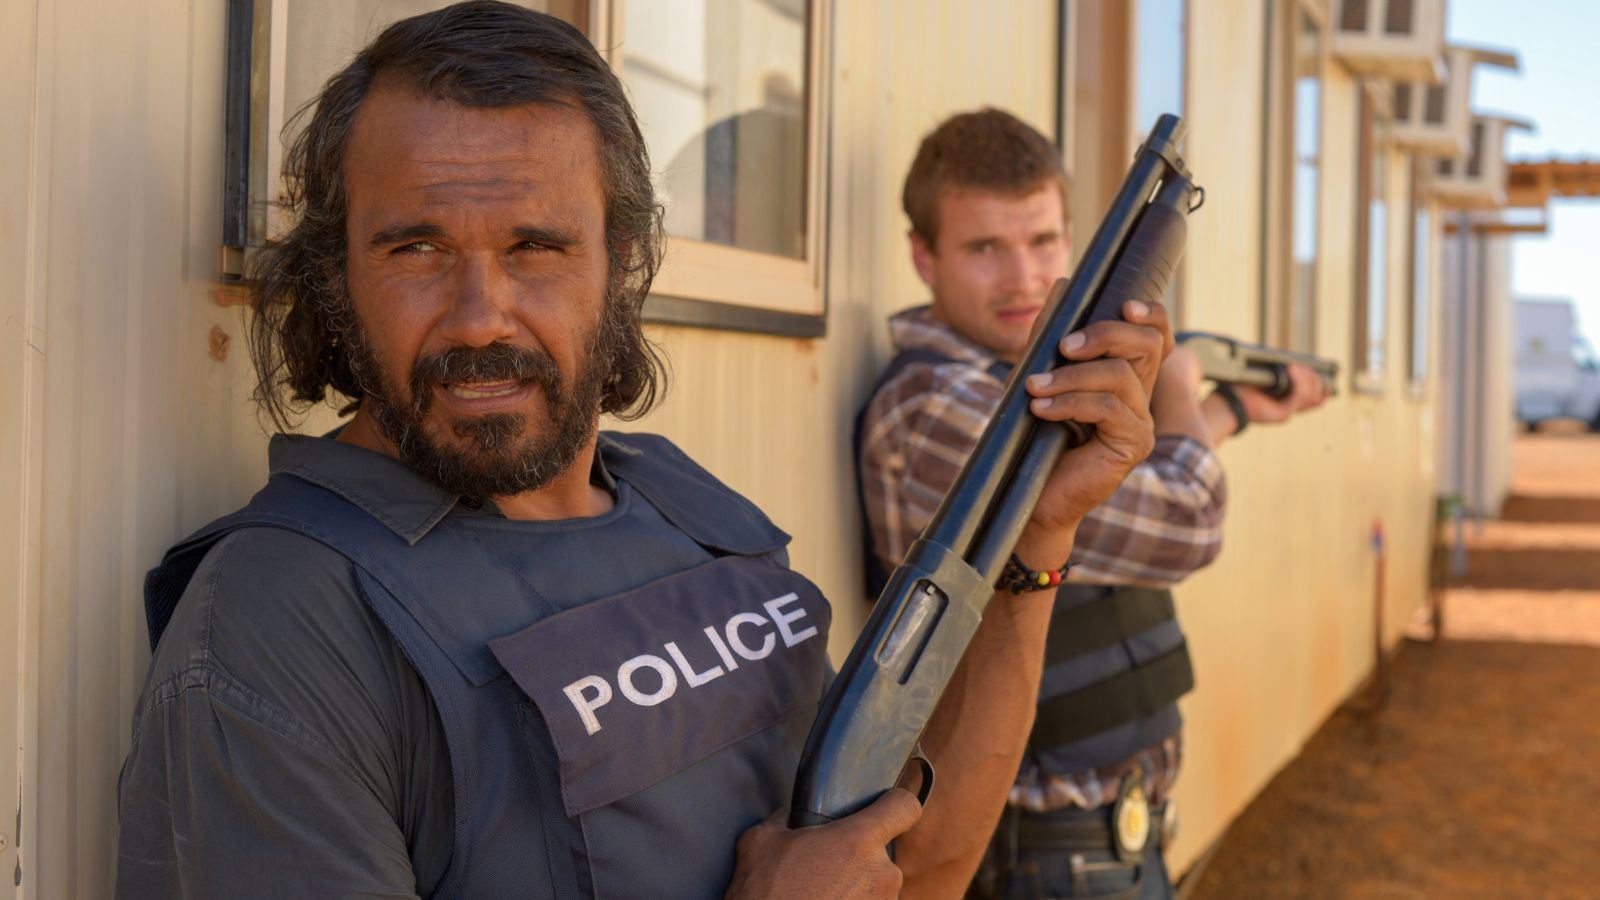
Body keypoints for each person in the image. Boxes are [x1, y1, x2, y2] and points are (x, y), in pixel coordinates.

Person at [114, 7, 1177, 898]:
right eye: (417, 247)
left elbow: (917, 864)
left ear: (620, 261)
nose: (479, 315)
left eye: (537, 247)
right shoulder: (280, 625)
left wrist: (1038, 540)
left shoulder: (674, 503)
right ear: (339, 274)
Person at [856, 108, 1327, 899]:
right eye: (984, 248)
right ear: (923, 257)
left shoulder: (1017, 396)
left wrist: (1229, 412)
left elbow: (1118, 486)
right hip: (1037, 851)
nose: (1023, 277)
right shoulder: (937, 408)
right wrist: (1179, 385)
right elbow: (1186, 523)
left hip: (1092, 846)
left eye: (1044, 242)